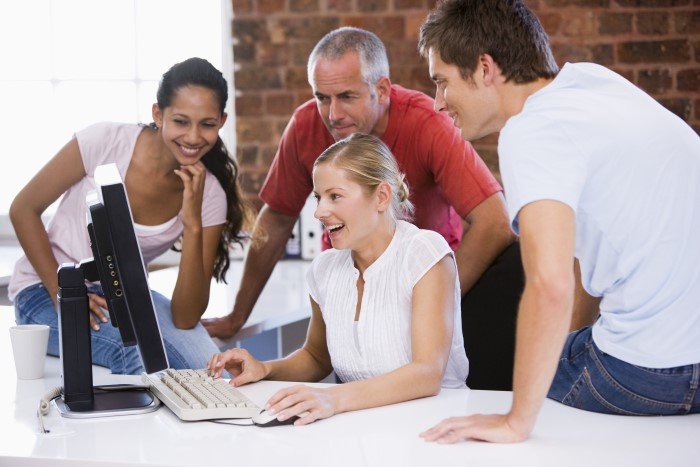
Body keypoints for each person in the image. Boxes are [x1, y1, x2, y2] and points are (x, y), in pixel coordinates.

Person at [417, 0, 700, 443]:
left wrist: (516, 422)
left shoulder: (531, 131)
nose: (437, 103)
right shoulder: (593, 83)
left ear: (485, 68)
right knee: (558, 344)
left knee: (506, 358)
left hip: (650, 375)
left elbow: (550, 284)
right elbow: (581, 254)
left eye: (443, 82)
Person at [202, 26, 514, 340]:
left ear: (381, 90)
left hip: (425, 290)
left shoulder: (428, 124)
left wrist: (434, 305)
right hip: (349, 290)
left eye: (347, 97)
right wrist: (236, 316)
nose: (333, 114)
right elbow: (278, 219)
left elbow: (495, 223)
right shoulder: (305, 124)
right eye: (322, 98)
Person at [208, 133, 469, 425]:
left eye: (335, 196)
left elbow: (427, 373)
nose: (320, 211)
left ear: (381, 197)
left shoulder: (423, 253)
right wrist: (264, 369)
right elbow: (316, 358)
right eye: (318, 197)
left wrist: (334, 398)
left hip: (437, 424)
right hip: (358, 427)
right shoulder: (325, 269)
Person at [9, 57, 248, 375]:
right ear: (158, 114)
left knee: (206, 370)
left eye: (207, 124)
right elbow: (23, 208)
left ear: (221, 121)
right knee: (139, 356)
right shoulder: (104, 141)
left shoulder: (209, 193)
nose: (193, 137)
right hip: (44, 289)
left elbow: (185, 316)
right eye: (181, 121)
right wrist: (63, 294)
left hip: (125, 297)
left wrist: (192, 223)